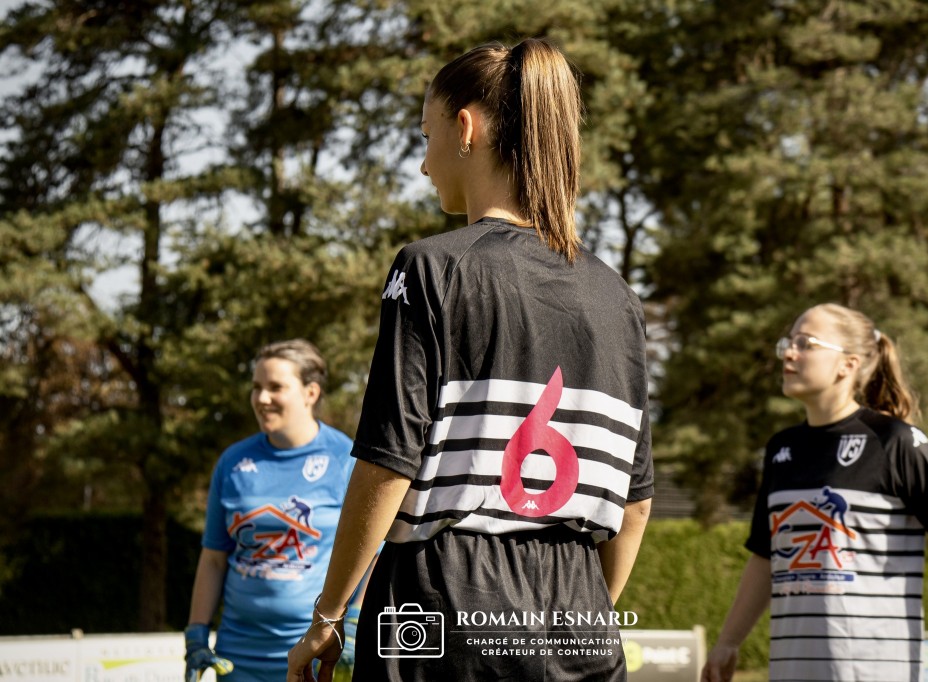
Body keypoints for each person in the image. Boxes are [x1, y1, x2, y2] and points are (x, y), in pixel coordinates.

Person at [286, 38, 653, 682]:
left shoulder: (431, 268)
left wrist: (329, 614)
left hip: (435, 604)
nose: (424, 163)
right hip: (579, 612)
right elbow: (636, 500)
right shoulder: (616, 295)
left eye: (425, 134)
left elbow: (387, 460)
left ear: (466, 128)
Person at [701, 303, 928, 682]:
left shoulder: (896, 441)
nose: (789, 353)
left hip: (877, 670)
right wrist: (729, 642)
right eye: (788, 343)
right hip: (790, 670)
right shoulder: (781, 449)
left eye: (806, 343)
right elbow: (766, 556)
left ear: (848, 364)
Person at [185, 339, 369, 682]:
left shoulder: (347, 460)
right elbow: (213, 559)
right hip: (236, 658)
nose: (261, 398)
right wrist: (196, 634)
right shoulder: (232, 463)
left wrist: (355, 622)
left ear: (310, 393)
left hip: (313, 654)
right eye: (256, 387)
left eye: (275, 387)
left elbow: (373, 552)